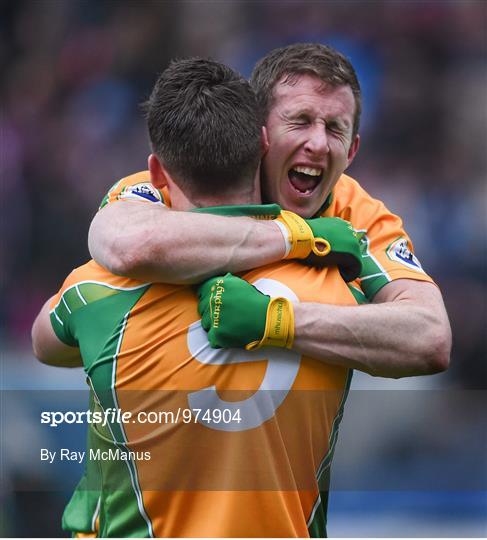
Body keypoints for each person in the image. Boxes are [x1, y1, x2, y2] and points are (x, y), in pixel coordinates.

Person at [32, 58, 367, 537]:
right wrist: (293, 273)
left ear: (156, 173)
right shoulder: (337, 287)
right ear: (264, 148)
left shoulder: (95, 291)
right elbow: (421, 344)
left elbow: (44, 342)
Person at [88, 43, 451, 377]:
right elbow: (128, 245)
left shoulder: (355, 212)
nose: (319, 144)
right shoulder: (186, 177)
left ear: (352, 151)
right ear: (260, 132)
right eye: (301, 120)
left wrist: (277, 321)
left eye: (335, 129)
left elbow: (430, 338)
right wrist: (300, 237)